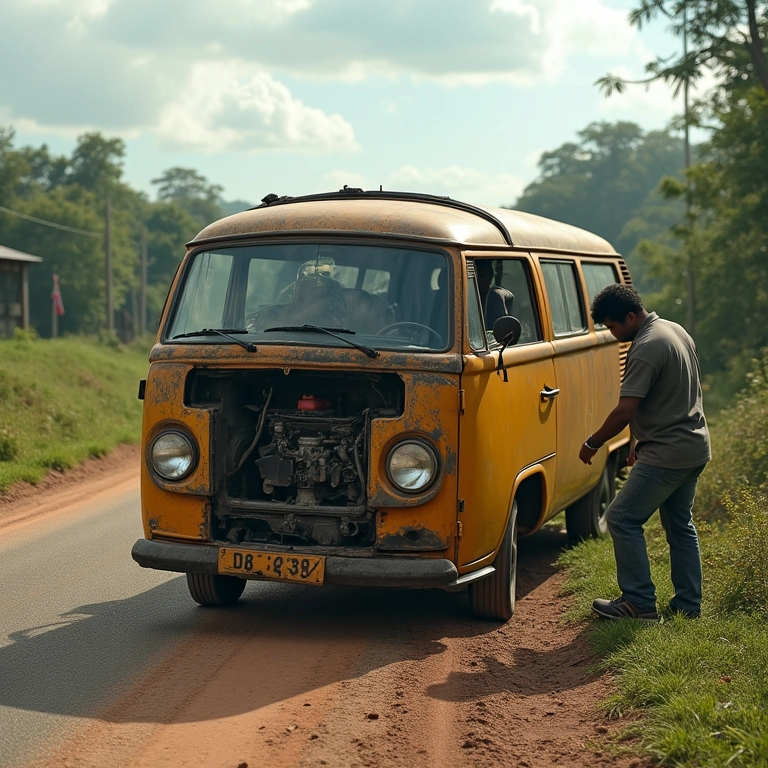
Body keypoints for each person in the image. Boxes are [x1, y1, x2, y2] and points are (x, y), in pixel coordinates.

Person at [578, 284, 710, 622]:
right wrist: (638, 441)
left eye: (613, 326)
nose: (613, 334)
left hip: (668, 453)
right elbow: (666, 395)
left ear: (631, 316)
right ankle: (688, 606)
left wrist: (593, 442)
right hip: (693, 446)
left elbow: (626, 409)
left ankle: (638, 603)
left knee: (621, 519)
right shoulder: (674, 330)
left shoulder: (646, 346)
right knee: (681, 525)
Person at [475, 260, 514, 332]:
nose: (476, 280)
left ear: (490, 277)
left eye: (481, 276)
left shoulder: (494, 298)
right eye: (474, 277)